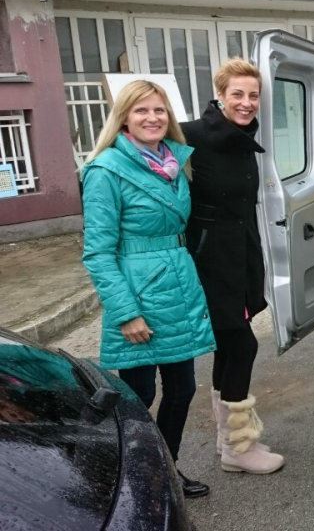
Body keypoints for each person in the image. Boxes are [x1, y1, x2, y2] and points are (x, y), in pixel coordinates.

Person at [81, 80, 217, 498]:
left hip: (176, 288)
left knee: (183, 389)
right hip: (138, 296)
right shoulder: (106, 171)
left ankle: (165, 472)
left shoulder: (175, 162)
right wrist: (126, 313)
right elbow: (98, 253)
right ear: (124, 117)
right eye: (141, 110)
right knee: (138, 395)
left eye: (159, 110)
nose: (152, 118)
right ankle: (130, 480)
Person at [183, 59, 284, 474]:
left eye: (253, 95)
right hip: (209, 261)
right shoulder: (191, 134)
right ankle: (238, 447)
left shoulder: (243, 138)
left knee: (229, 345)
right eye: (237, 94)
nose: (246, 103)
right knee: (243, 345)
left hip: (240, 256)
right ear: (220, 95)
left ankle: (228, 441)